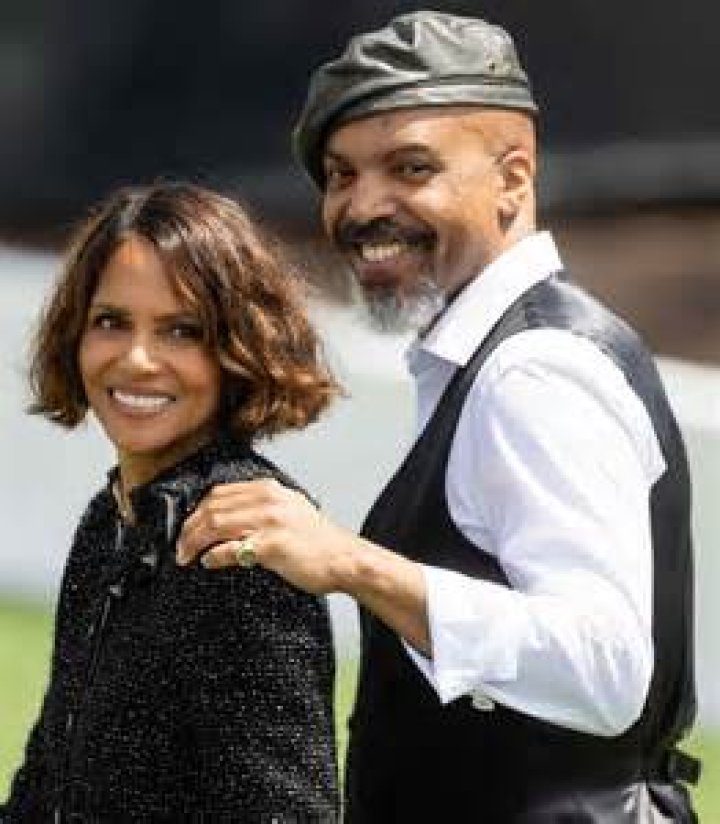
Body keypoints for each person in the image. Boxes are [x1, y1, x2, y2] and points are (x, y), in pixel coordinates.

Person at [175, 11, 700, 822]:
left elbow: (604, 671)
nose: (361, 207)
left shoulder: (534, 372)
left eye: (410, 168)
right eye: (341, 175)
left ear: (513, 179)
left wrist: (351, 564)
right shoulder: (490, 355)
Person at [1, 182, 341, 821]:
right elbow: (47, 783)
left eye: (182, 331)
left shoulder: (242, 543)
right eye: (111, 322)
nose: (137, 359)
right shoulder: (110, 519)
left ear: (240, 347)